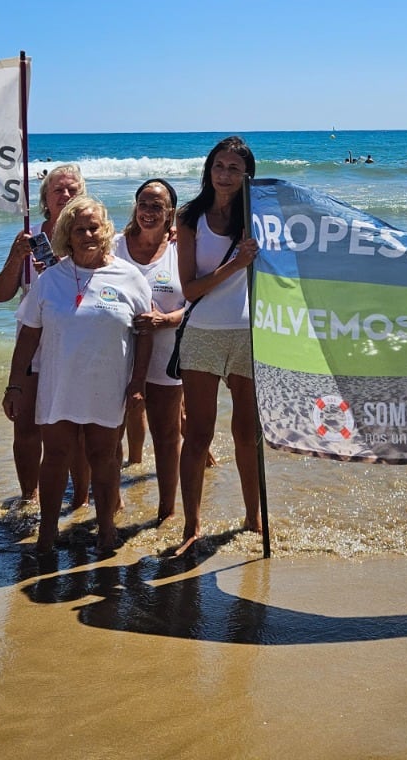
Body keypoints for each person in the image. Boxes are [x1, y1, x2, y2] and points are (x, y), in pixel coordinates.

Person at [1, 196, 152, 552]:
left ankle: (106, 531)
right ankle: (47, 533)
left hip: (107, 384)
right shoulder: (51, 278)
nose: (86, 234)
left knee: (104, 458)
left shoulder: (129, 277)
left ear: (106, 231)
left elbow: (145, 333)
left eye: (93, 227)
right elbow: (29, 335)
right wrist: (15, 385)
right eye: (78, 229)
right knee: (55, 457)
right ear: (66, 236)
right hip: (59, 385)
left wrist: (138, 383)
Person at [175, 136, 262, 552]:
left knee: (248, 433)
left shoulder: (259, 216)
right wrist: (235, 264)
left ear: (247, 176)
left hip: (248, 335)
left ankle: (253, 517)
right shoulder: (190, 217)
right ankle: (191, 524)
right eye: (219, 166)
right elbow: (190, 290)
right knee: (198, 435)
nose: (225, 175)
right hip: (204, 334)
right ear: (209, 170)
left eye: (234, 168)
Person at [0, 163, 86, 508]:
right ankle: (29, 495)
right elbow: (1, 294)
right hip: (33, 347)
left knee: (74, 428)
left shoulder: (90, 235)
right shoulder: (30, 237)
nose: (65, 195)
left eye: (72, 189)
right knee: (27, 425)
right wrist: (17, 258)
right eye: (58, 189)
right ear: (45, 198)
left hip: (76, 345)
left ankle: (79, 498)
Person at [115, 179, 187, 523]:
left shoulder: (181, 249)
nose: (148, 211)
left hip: (167, 356)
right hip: (115, 354)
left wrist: (167, 319)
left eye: (157, 206)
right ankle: (111, 501)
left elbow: (198, 300)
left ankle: (167, 509)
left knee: (167, 434)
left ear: (170, 212)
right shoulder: (113, 246)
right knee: (108, 430)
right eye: (143, 203)